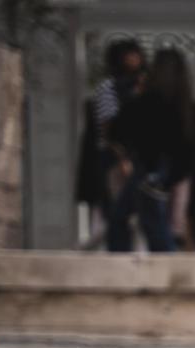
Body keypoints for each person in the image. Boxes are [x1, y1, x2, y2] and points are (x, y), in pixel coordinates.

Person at [107, 48, 195, 253]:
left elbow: (119, 128)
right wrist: (173, 177)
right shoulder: (181, 104)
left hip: (146, 168)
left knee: (139, 223)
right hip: (160, 172)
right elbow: (185, 146)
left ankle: (163, 273)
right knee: (145, 222)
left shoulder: (148, 99)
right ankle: (163, 271)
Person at [75, 39, 145, 247]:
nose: (134, 59)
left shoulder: (142, 85)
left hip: (136, 155)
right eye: (128, 55)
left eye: (136, 54)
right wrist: (122, 157)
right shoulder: (108, 87)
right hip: (113, 156)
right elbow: (108, 127)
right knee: (113, 211)